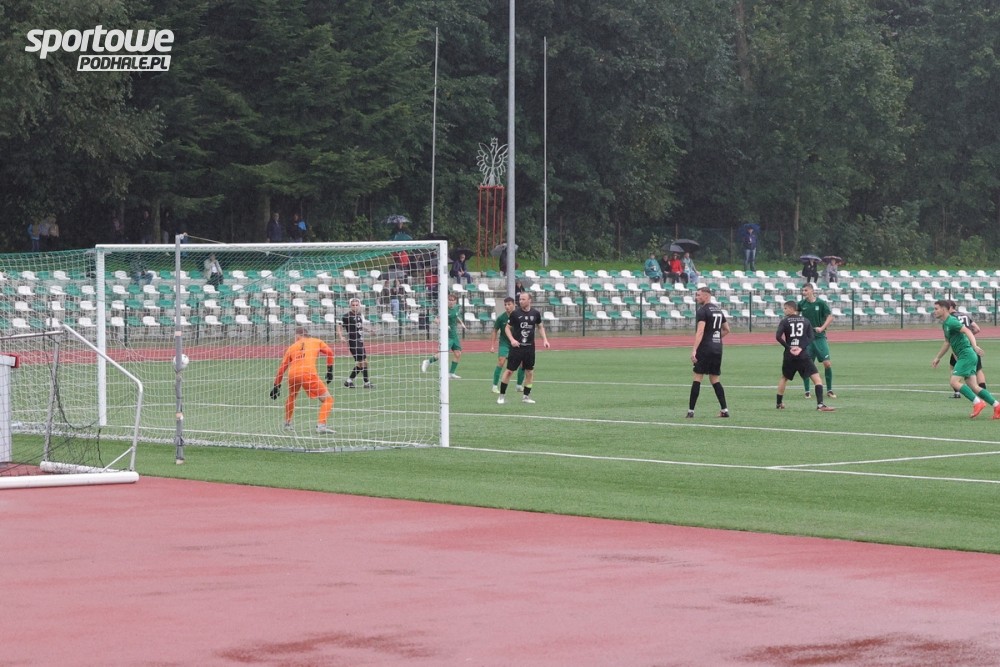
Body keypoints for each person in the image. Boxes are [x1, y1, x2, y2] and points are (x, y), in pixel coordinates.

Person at [931, 300, 1000, 419]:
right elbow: (947, 343)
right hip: (965, 355)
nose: (934, 311)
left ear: (944, 309)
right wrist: (938, 357)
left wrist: (975, 346)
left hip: (966, 354)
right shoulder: (945, 324)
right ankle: (997, 406)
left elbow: (967, 330)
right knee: (973, 386)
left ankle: (977, 403)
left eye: (936, 308)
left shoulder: (952, 321)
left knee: (954, 382)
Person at [270, 326, 336, 433]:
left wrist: (276, 385)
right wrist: (330, 370)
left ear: (298, 336)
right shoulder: (316, 341)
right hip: (307, 373)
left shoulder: (292, 347)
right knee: (328, 399)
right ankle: (321, 425)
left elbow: (282, 368)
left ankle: (287, 423)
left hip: (292, 374)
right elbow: (330, 352)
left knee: (292, 396)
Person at [775, 300, 836, 411]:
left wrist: (789, 347)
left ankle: (779, 404)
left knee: (784, 378)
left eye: (785, 308)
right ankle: (820, 405)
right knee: (817, 379)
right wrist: (801, 348)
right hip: (803, 354)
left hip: (789, 355)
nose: (784, 310)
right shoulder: (805, 321)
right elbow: (811, 337)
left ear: (792, 309)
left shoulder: (784, 321)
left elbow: (778, 337)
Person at [497, 291, 550, 404]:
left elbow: (540, 327)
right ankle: (501, 396)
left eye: (523, 299)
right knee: (509, 371)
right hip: (517, 348)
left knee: (529, 372)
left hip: (530, 348)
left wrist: (545, 340)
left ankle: (526, 396)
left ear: (529, 300)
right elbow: (507, 328)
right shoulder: (515, 313)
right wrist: (512, 340)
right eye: (520, 299)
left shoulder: (535, 313)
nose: (520, 301)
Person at [687, 286, 730, 418]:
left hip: (705, 348)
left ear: (706, 296)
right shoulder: (718, 310)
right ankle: (724, 410)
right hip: (717, 348)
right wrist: (715, 338)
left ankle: (691, 411)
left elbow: (700, 331)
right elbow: (727, 329)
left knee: (697, 377)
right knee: (715, 379)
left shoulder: (702, 311)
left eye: (699, 295)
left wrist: (694, 349)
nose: (696, 297)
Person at [798, 283, 836, 399]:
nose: (803, 292)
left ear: (812, 291)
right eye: (803, 290)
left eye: (806, 290)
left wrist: (822, 328)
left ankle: (829, 390)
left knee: (827, 363)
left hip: (820, 338)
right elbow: (795, 316)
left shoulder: (820, 303)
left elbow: (830, 316)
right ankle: (807, 391)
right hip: (807, 339)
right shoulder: (801, 304)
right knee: (807, 364)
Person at [421, 293, 466, 378]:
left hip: (454, 334)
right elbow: (435, 319)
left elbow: (456, 316)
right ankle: (427, 362)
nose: (451, 302)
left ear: (455, 301)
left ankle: (451, 373)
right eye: (449, 300)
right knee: (442, 354)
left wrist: (462, 323)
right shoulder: (444, 309)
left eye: (453, 300)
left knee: (458, 353)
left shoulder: (456, 308)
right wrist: (444, 324)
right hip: (446, 335)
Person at [947, 301, 987, 398]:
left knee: (953, 367)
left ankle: (957, 392)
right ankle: (984, 392)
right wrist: (969, 336)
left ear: (950, 307)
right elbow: (977, 329)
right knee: (978, 369)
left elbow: (950, 339)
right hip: (972, 345)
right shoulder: (964, 315)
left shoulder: (950, 318)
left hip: (960, 346)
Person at [490, 297, 526, 393]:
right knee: (501, 361)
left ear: (514, 304)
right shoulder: (501, 318)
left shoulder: (520, 316)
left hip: (517, 343)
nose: (507, 306)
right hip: (504, 343)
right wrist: (492, 345)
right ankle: (494, 386)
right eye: (505, 305)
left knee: (523, 364)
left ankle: (519, 386)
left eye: (509, 304)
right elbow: (495, 331)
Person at [337, 298, 374, 389]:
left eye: (356, 305)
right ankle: (366, 382)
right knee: (363, 362)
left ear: (359, 305)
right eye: (353, 305)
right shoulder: (346, 316)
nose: (355, 306)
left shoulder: (359, 315)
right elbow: (339, 326)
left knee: (363, 363)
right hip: (353, 342)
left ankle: (349, 381)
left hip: (360, 341)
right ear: (350, 306)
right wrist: (341, 336)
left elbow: (360, 326)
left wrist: (369, 330)